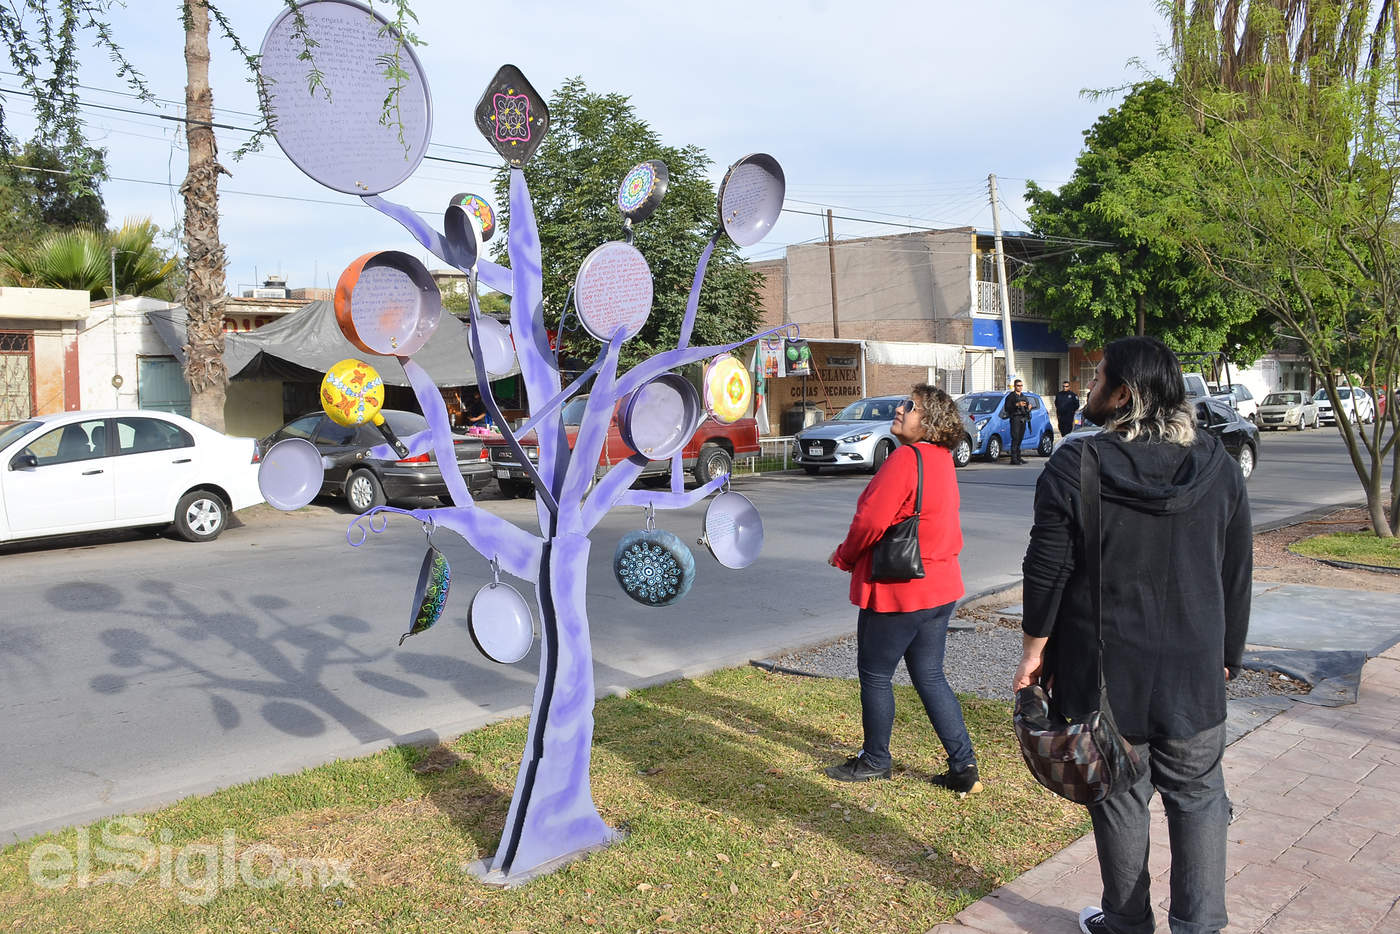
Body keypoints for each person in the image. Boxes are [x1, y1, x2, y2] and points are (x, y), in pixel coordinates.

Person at [1013, 336, 1251, 934]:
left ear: (1124, 393)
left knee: (1119, 793)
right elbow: (1236, 568)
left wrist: (1034, 652)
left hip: (1104, 673)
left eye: (1097, 378)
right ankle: (1199, 926)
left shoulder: (1076, 463)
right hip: (1195, 667)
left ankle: (1126, 922)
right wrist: (1229, 654)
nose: (1088, 387)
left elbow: (1047, 569)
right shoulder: (1217, 463)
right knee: (1197, 796)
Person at [824, 384, 981, 794]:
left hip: (900, 590)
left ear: (928, 422)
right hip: (940, 587)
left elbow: (870, 523)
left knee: (875, 674)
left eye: (910, 406)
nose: (899, 408)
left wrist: (844, 555)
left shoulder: (904, 460)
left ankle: (876, 759)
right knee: (930, 675)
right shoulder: (941, 459)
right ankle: (963, 766)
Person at [1001, 378, 1031, 463]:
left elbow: (1026, 406)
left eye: (1021, 385)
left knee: (1020, 438)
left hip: (1023, 418)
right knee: (1015, 438)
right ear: (1014, 386)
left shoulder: (1023, 396)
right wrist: (1017, 404)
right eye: (1018, 386)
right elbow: (1007, 408)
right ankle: (1013, 458)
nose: (1020, 387)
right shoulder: (1011, 396)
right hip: (1015, 418)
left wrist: (1028, 407)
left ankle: (1018, 457)